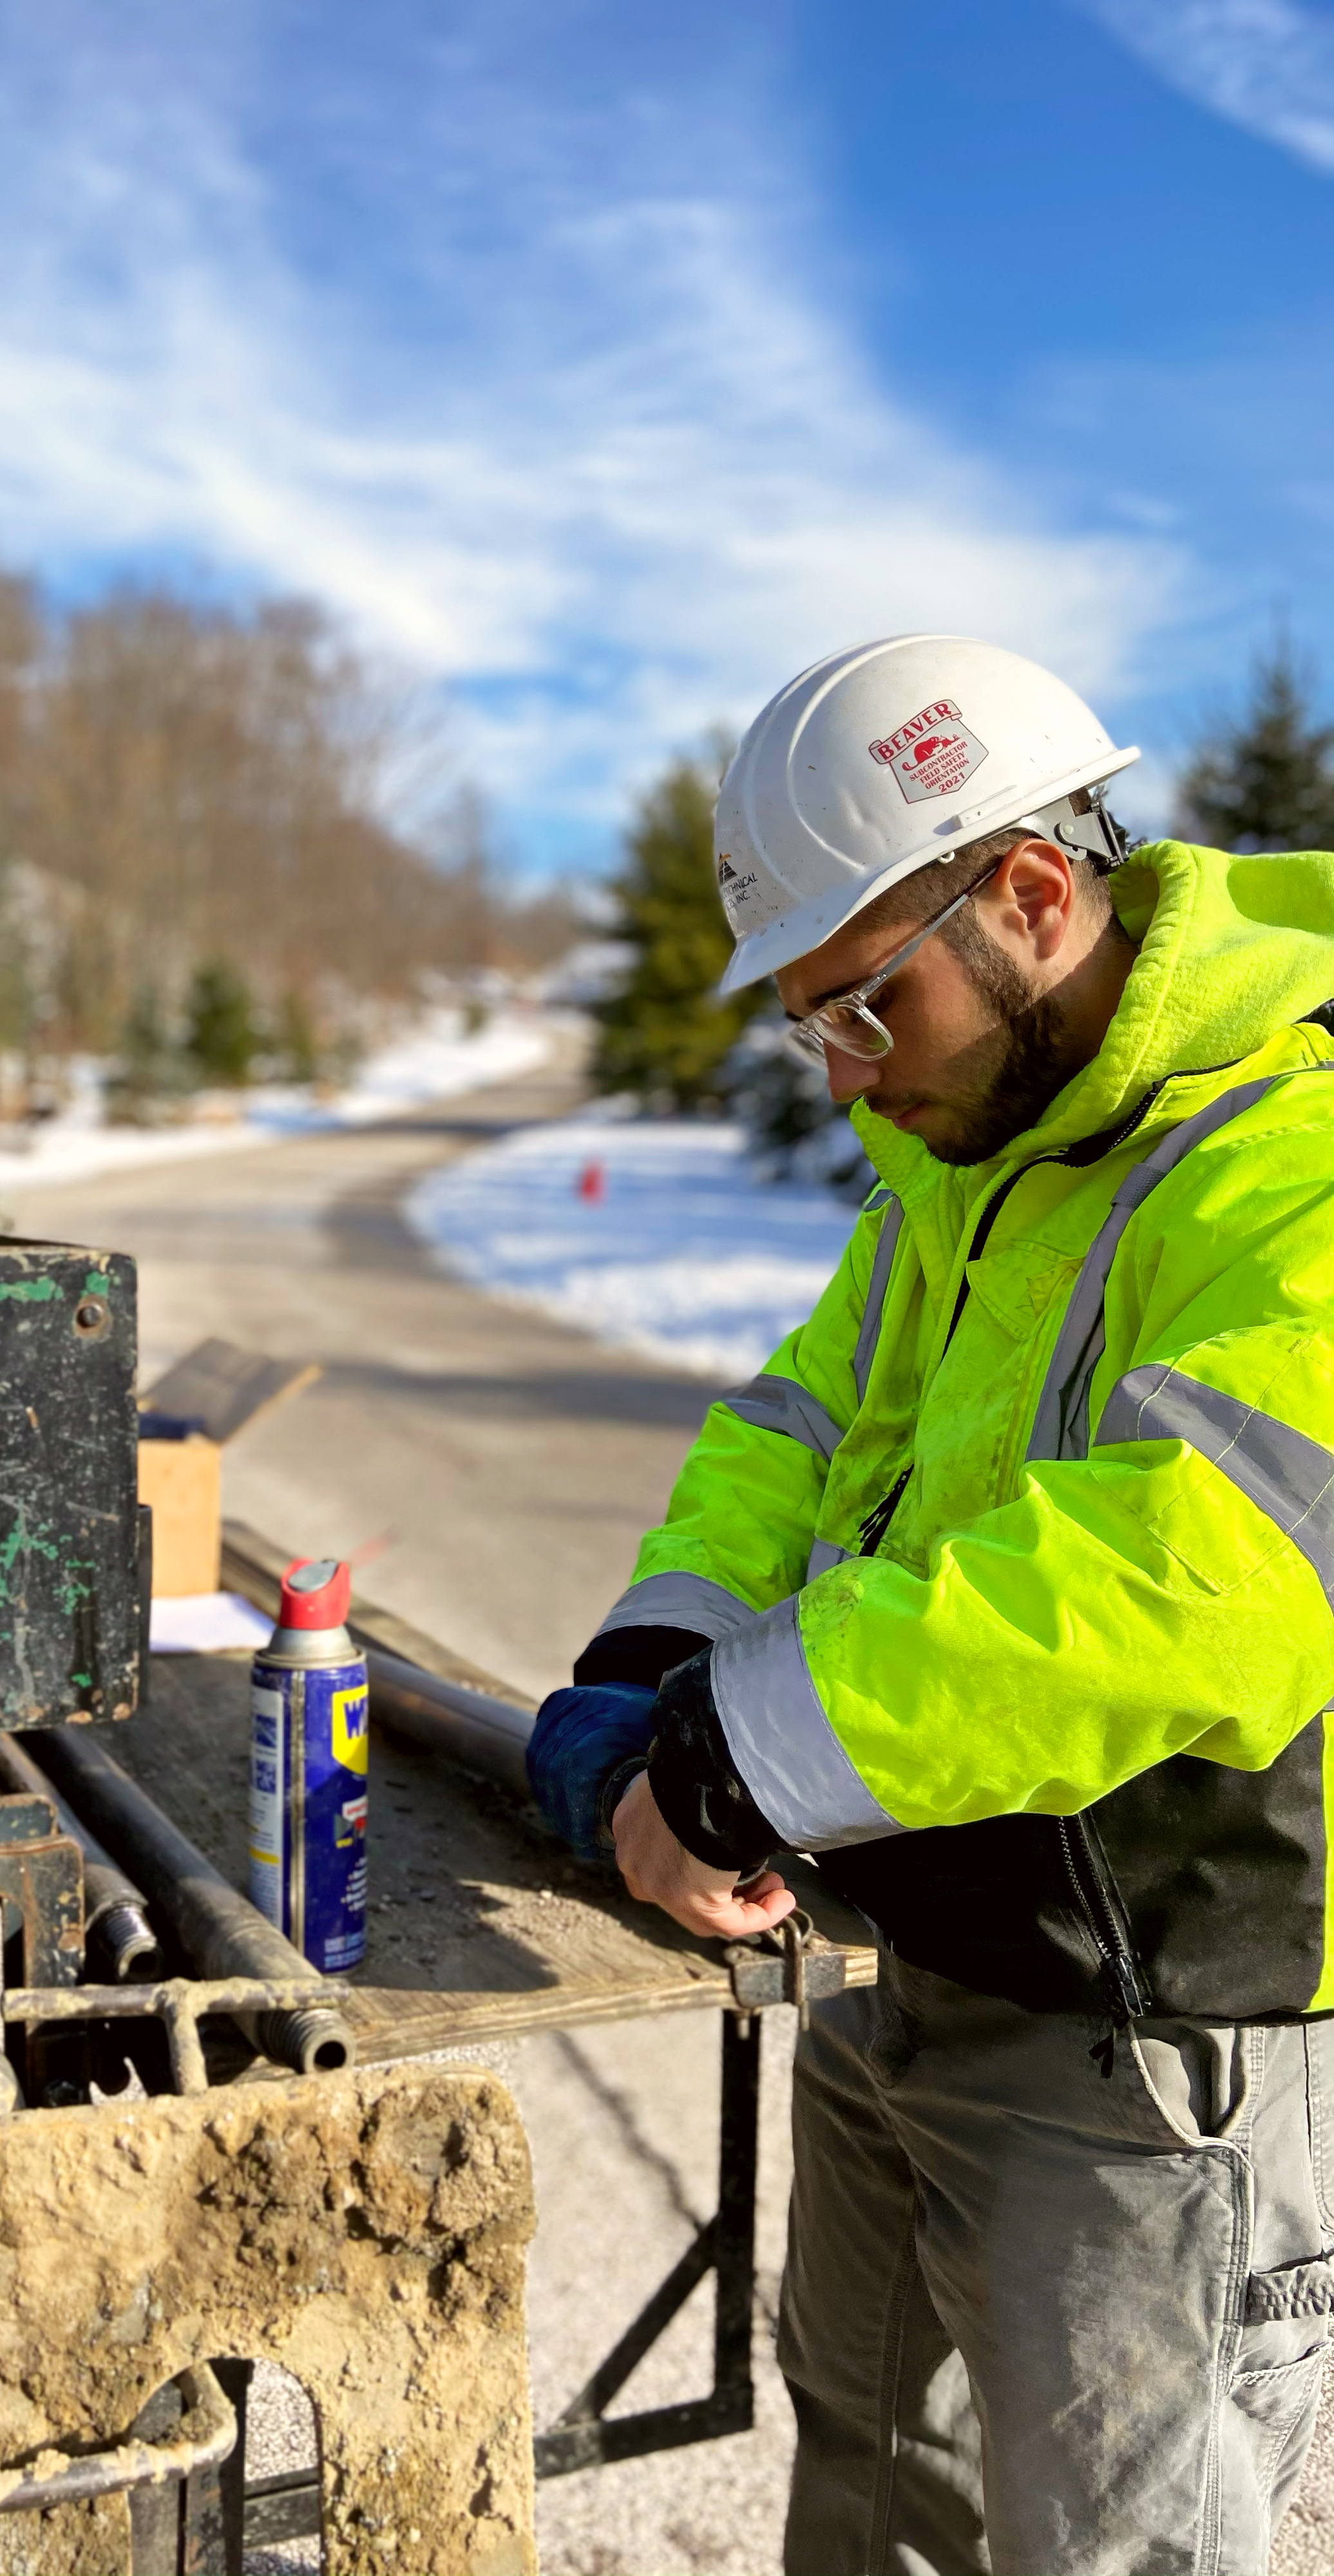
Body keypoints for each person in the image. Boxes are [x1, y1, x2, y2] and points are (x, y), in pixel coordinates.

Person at [528, 633, 1334, 2576]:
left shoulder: (1283, 1151)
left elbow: (1206, 1572)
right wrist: (657, 1656)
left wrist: (738, 1751)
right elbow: (799, 1434)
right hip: (900, 1955)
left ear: (1037, 898)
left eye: (865, 1005)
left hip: (1139, 2036)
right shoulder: (952, 1162)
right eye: (810, 1021)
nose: (840, 1069)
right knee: (878, 2490)